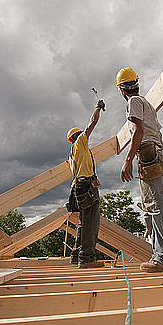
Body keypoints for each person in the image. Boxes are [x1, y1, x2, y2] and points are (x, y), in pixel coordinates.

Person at [116, 67, 163, 272]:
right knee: (154, 206)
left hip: (148, 153)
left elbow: (138, 130)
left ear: (122, 90)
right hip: (154, 154)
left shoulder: (133, 102)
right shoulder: (146, 103)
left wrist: (127, 160)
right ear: (136, 84)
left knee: (156, 206)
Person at [66, 99, 106, 268]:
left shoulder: (72, 154)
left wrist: (92, 178)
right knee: (91, 223)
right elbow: (93, 122)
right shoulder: (80, 142)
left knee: (84, 222)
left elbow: (81, 171)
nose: (85, 136)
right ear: (78, 136)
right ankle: (87, 259)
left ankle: (76, 255)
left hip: (80, 187)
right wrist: (98, 107)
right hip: (86, 188)